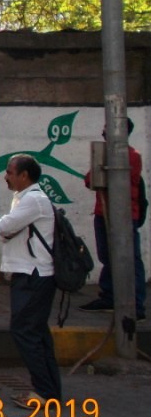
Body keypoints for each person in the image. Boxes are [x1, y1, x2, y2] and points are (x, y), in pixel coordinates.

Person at [0, 153, 62, 408]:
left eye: (10, 172)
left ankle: (44, 392)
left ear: (24, 175)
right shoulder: (26, 199)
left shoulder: (33, 200)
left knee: (24, 331)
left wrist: (4, 229)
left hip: (34, 275)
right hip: (33, 274)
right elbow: (7, 230)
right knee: (37, 333)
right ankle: (49, 391)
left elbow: (3, 228)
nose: (6, 176)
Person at [81, 119, 146, 321]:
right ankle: (109, 296)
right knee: (107, 256)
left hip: (125, 214)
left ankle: (136, 304)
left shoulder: (131, 156)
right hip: (103, 213)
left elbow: (114, 180)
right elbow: (90, 179)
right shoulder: (104, 153)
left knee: (131, 258)